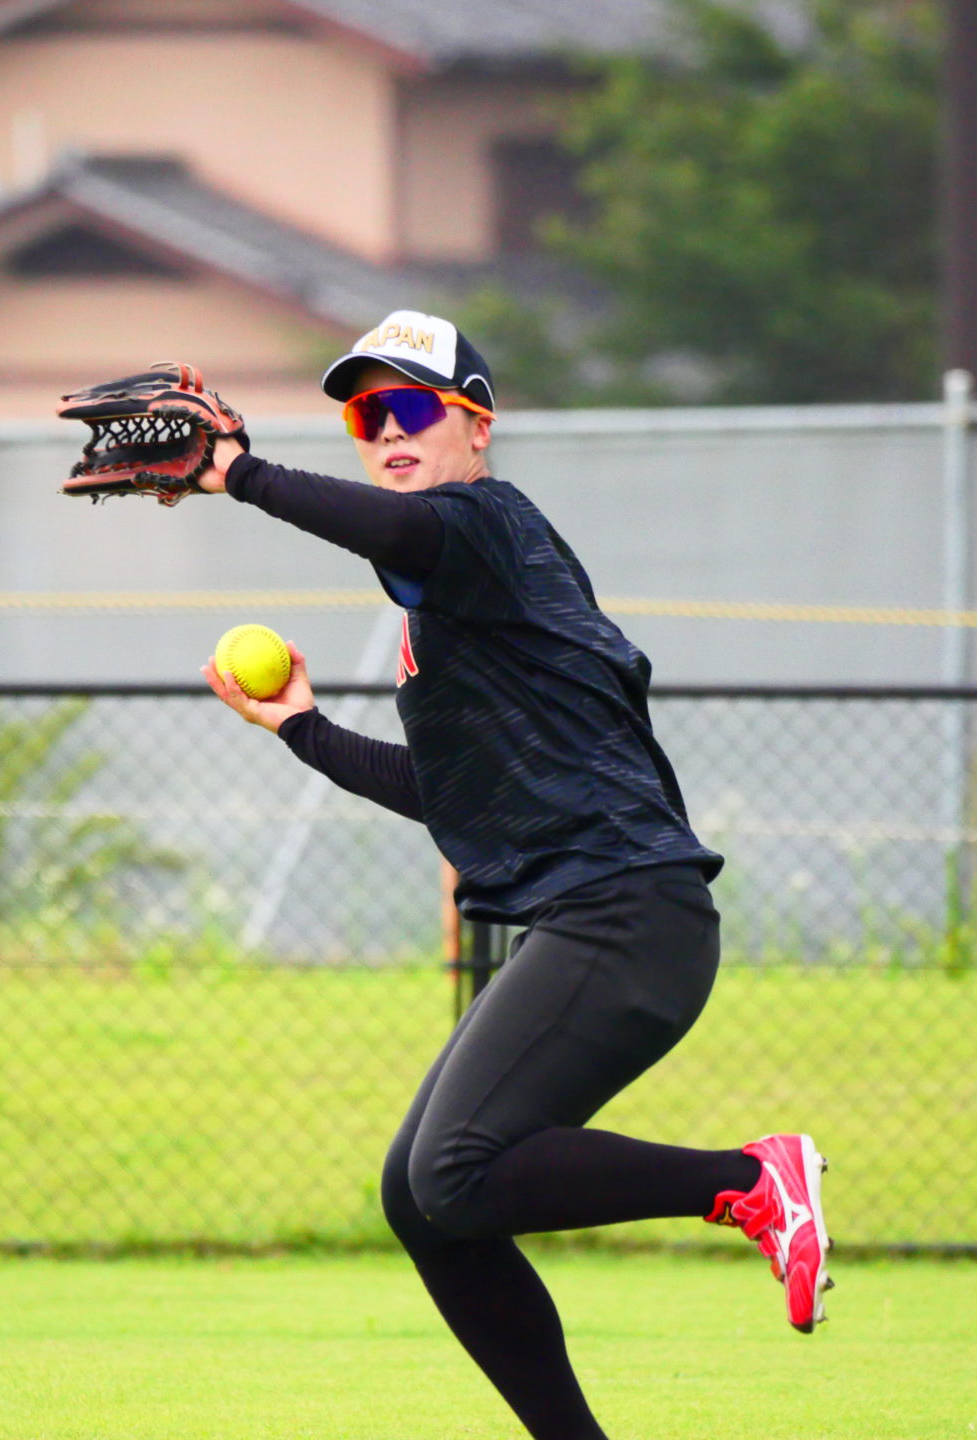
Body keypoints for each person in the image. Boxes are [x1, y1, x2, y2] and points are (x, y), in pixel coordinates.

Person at [195, 310, 830, 1440]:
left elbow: (398, 527)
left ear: (478, 426)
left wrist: (238, 472)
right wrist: (301, 728)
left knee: (456, 1170)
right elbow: (452, 796)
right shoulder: (454, 611)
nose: (388, 432)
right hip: (598, 916)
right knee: (423, 1198)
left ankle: (748, 1180)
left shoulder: (483, 524)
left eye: (412, 406)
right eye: (366, 416)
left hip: (627, 911)